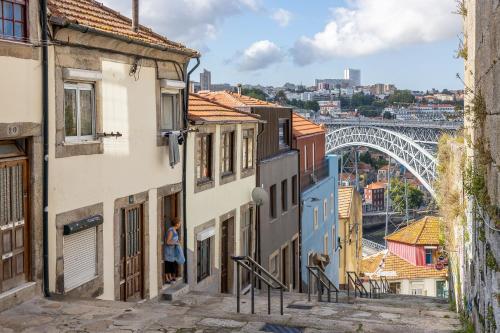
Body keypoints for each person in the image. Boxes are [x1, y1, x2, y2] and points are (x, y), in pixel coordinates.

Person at [164, 218, 184, 283]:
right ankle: (167, 278)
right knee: (168, 264)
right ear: (177, 224)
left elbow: (173, 240)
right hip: (169, 250)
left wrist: (177, 241)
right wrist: (176, 243)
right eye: (179, 223)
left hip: (172, 250)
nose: (180, 224)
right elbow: (168, 242)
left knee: (171, 263)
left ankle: (170, 277)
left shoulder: (175, 230)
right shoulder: (171, 231)